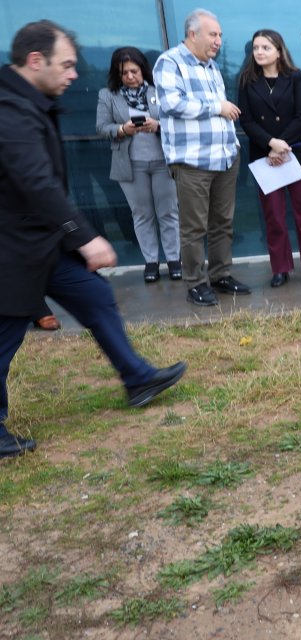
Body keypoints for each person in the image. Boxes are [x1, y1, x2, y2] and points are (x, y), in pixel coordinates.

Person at [1, 20, 186, 460]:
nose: (73, 74)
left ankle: (137, 378)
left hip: (39, 244)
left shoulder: (31, 101)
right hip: (11, 249)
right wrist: (85, 239)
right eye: (66, 66)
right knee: (3, 339)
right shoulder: (9, 109)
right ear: (34, 61)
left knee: (94, 296)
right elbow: (36, 183)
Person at [154, 8, 252, 307]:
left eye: (220, 35)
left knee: (223, 222)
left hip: (224, 158)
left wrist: (232, 145)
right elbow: (170, 104)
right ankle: (195, 282)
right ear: (192, 34)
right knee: (194, 227)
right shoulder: (169, 62)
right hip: (192, 162)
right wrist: (216, 106)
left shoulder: (211, 67)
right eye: (213, 34)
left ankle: (221, 274)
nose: (219, 40)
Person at [238, 29, 301, 289]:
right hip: (264, 157)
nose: (259, 52)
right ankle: (280, 269)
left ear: (279, 51)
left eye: (265, 47)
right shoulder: (246, 80)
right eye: (256, 47)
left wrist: (282, 145)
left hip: (297, 154)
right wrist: (271, 144)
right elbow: (246, 120)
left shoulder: (295, 77)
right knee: (274, 216)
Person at [96, 46, 181, 284]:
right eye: (124, 73)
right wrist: (122, 129)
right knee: (142, 214)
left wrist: (158, 125)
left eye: (134, 71)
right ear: (117, 74)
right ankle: (151, 262)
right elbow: (102, 128)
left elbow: (176, 121)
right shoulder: (107, 95)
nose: (130, 77)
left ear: (143, 69)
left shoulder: (160, 91)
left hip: (164, 162)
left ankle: (174, 260)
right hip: (131, 165)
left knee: (169, 212)